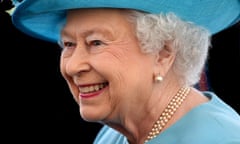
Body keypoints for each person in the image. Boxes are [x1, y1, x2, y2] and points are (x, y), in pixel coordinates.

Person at [11, 0, 240, 144]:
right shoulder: (113, 136)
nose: (73, 66)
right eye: (69, 44)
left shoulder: (224, 138)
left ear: (162, 54)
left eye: (96, 42)